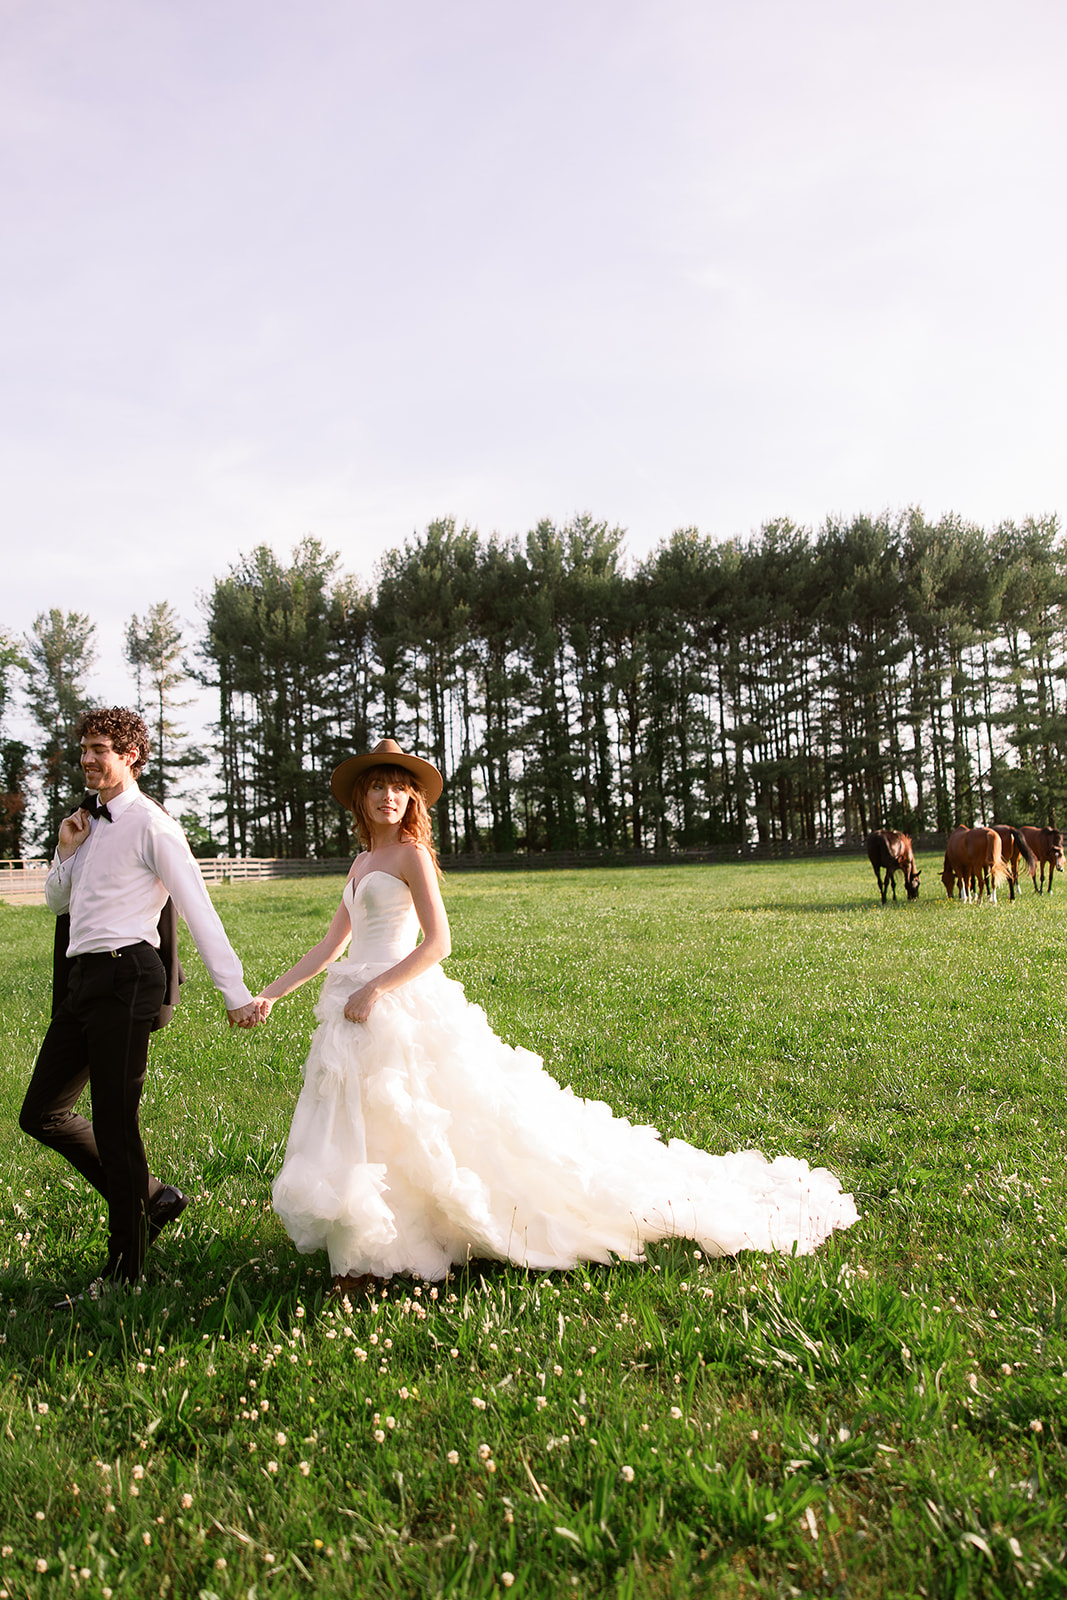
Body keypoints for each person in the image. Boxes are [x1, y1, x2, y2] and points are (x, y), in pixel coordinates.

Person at [260, 740, 858, 1293]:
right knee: (369, 1128)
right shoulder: (361, 864)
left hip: (400, 1000)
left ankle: (402, 1250)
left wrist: (378, 991)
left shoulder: (412, 855)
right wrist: (272, 993)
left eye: (398, 786)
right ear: (361, 800)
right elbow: (330, 947)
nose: (387, 795)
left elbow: (438, 943)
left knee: (426, 1119)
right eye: (376, 788)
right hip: (355, 1005)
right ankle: (371, 1249)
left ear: (411, 796)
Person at [20, 707, 260, 1297]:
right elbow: (57, 902)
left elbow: (198, 909)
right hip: (82, 981)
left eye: (101, 747)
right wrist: (65, 849)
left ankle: (124, 1270)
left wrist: (235, 994)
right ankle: (151, 1198)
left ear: (131, 754)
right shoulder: (86, 825)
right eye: (84, 748)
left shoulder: (153, 825)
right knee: (41, 1113)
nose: (88, 758)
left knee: (115, 1122)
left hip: (129, 976)